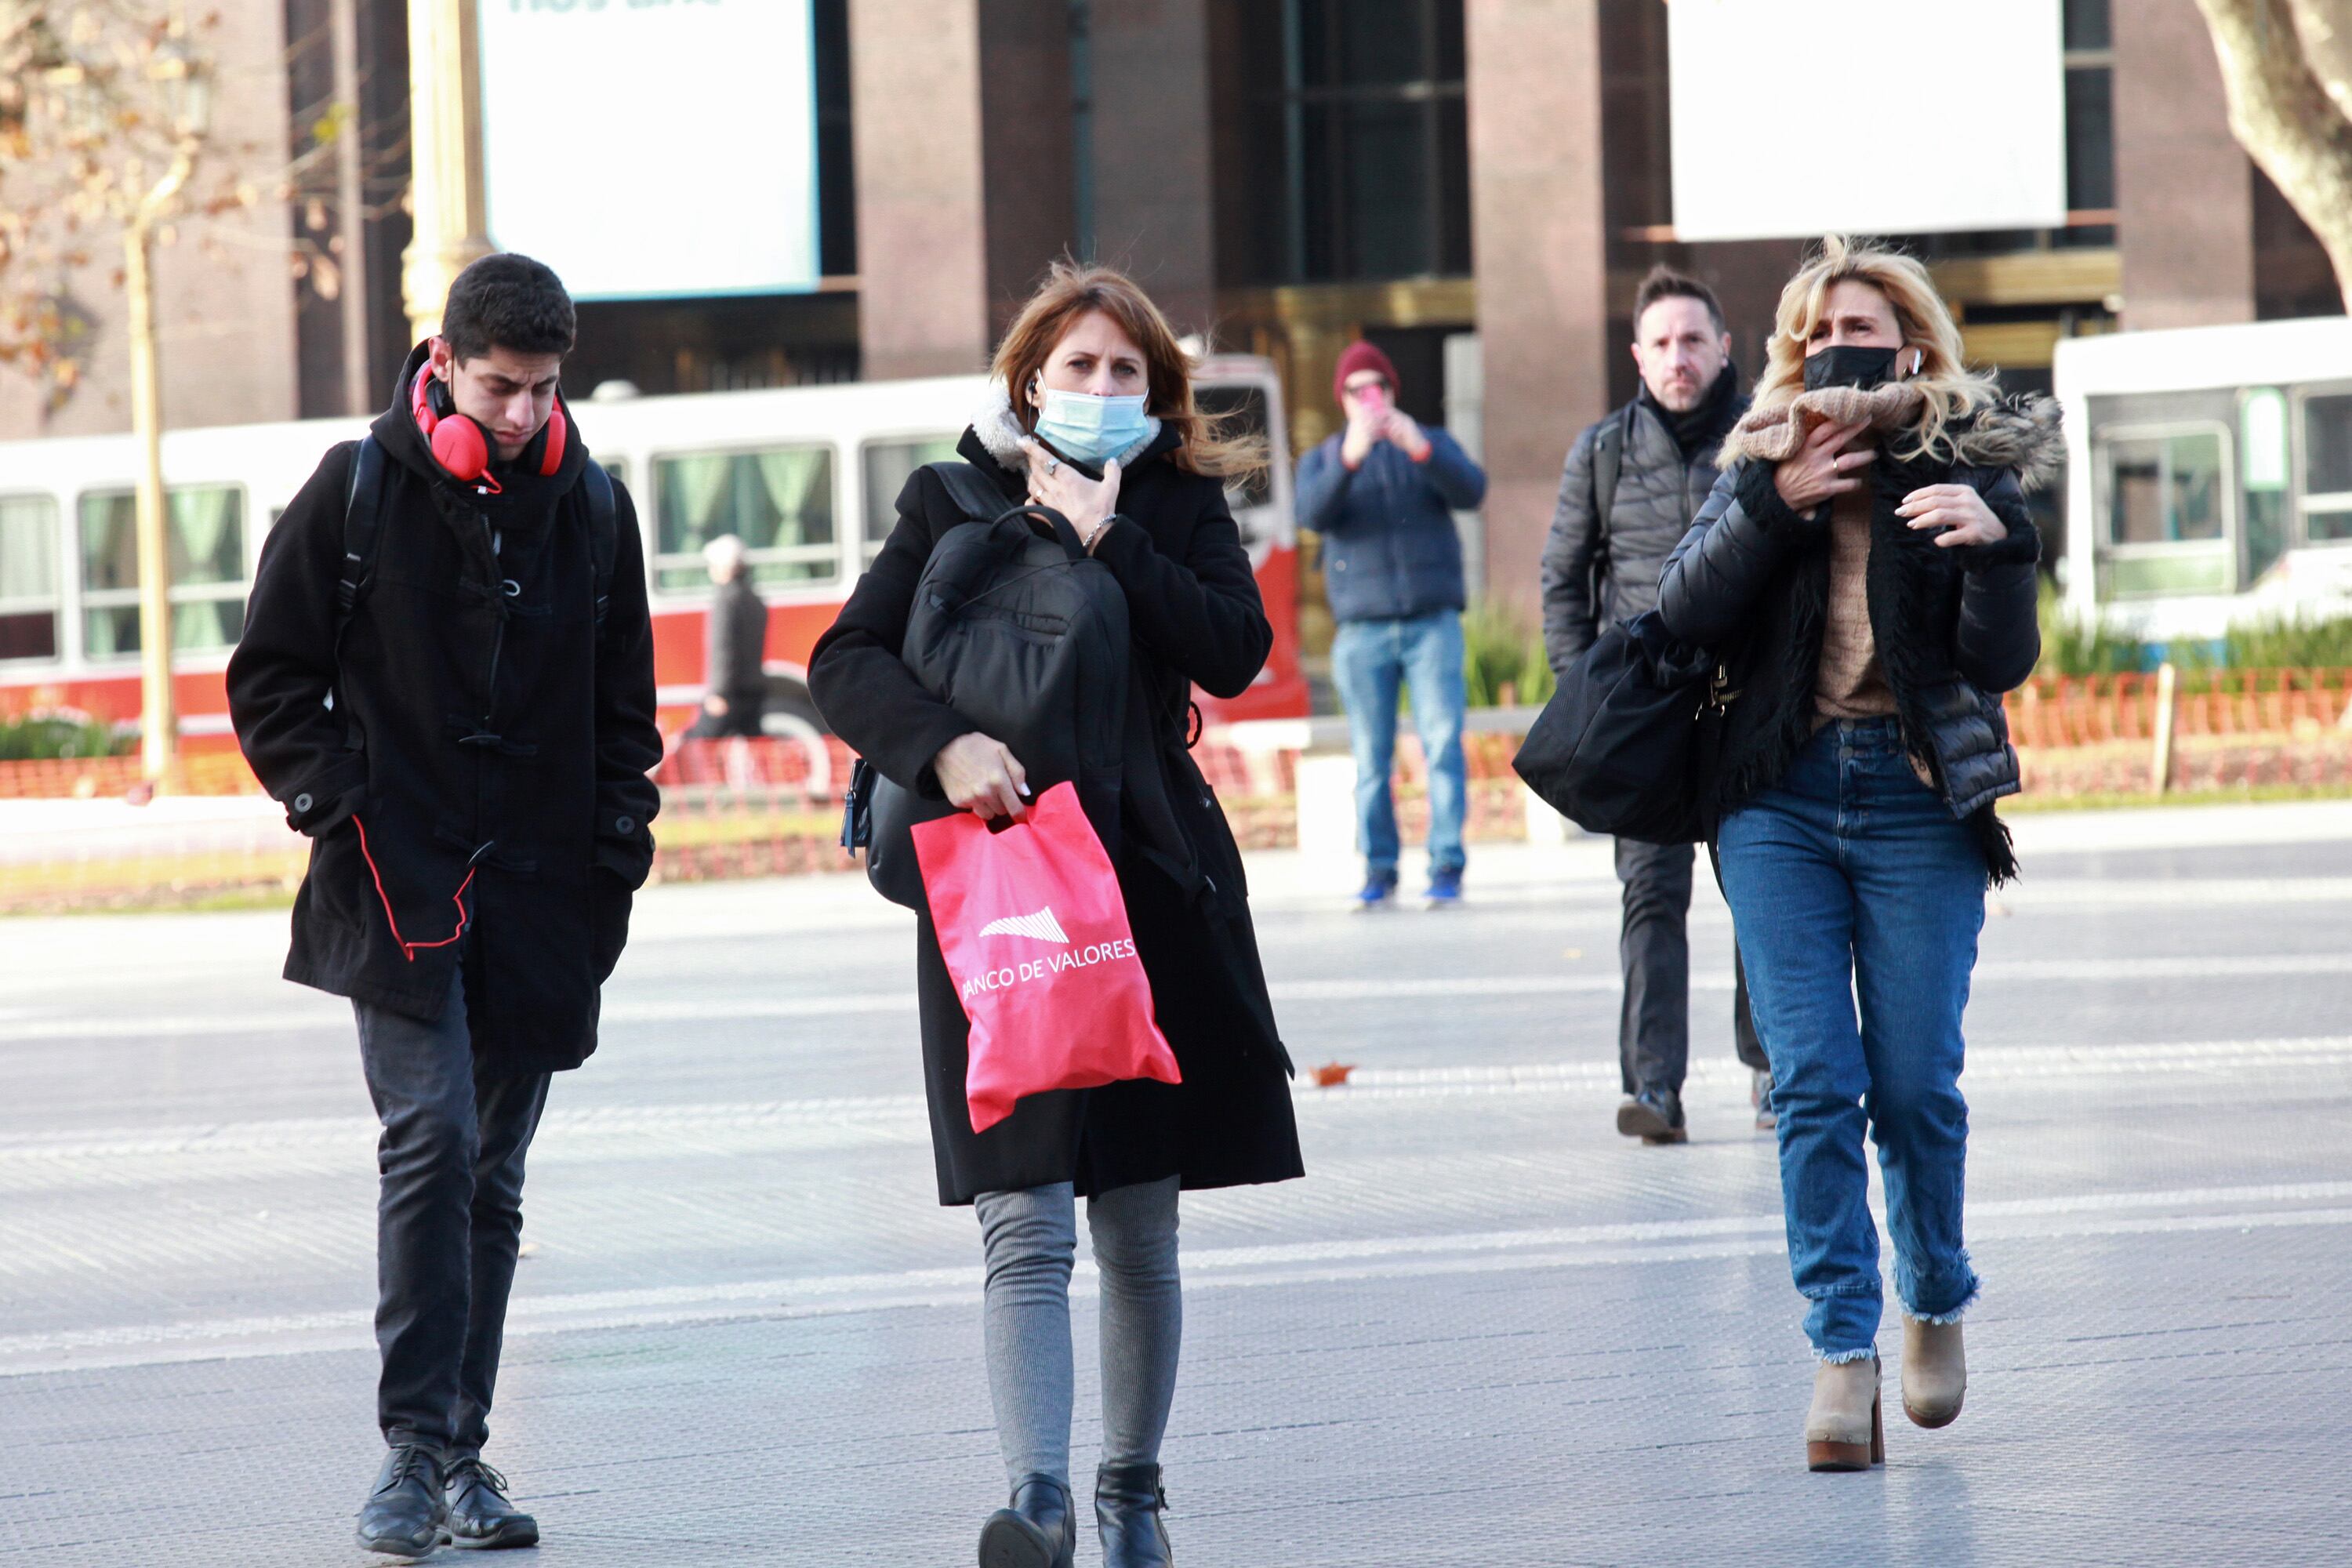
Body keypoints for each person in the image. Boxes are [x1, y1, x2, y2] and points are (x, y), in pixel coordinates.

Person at [809, 262, 1304, 1568]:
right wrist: (943, 748)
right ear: (1028, 381)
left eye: (1124, 370)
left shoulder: (1182, 502)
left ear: (1155, 390)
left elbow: (1235, 650)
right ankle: (1037, 1502)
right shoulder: (948, 496)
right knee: (1020, 1213)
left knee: (1137, 1214)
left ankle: (1131, 1488)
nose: (1098, 388)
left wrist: (1109, 537)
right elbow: (844, 658)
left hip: (1145, 883)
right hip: (999, 889)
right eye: (1076, 368)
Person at [227, 253, 661, 1553]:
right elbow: (270, 682)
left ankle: (462, 1457)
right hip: (393, 886)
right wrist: (340, 804)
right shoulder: (357, 488)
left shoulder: (594, 508)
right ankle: (415, 1451)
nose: (521, 414)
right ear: (443, 362)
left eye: (542, 389)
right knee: (433, 1139)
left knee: (495, 1174)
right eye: (498, 387)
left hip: (541, 905)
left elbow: (624, 725)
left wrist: (611, 873)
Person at [1655, 237, 2050, 1471]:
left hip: (1920, 803)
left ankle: (1932, 1296)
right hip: (1778, 797)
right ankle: (1842, 1350)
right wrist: (1775, 506)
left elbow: (1999, 667)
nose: (1844, 349)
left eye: (1867, 330)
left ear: (1916, 345)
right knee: (1813, 1082)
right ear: (1790, 350)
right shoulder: (1761, 454)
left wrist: (1999, 546)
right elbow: (1682, 610)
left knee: (1918, 1084)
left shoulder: (1969, 463)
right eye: (1822, 331)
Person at [1540, 266, 1773, 1145]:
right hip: (1650, 716)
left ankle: (1772, 1075)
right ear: (1639, 357)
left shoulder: (1765, 438)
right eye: (1662, 343)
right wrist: (1587, 688)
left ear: (1724, 348)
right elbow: (1563, 577)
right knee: (1650, 897)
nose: (1679, 357)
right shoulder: (1600, 452)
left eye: (1693, 340)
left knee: (1764, 892)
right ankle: (1654, 1088)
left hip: (1751, 705)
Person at [1294, 341, 1488, 908]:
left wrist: (1422, 448)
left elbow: (1472, 490)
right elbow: (1310, 513)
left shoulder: (1425, 443)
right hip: (1362, 630)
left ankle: (1447, 866)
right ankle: (1379, 870)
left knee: (1442, 747)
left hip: (1432, 622)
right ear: (1343, 399)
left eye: (1377, 386)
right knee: (1371, 759)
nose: (1368, 399)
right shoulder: (1328, 457)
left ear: (1393, 391)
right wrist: (1350, 459)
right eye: (1357, 390)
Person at [686, 534, 769, 739]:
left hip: (730, 693)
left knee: (696, 742)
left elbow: (723, 649)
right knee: (752, 748)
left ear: (724, 567)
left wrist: (718, 693)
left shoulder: (726, 600)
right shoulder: (754, 598)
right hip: (753, 689)